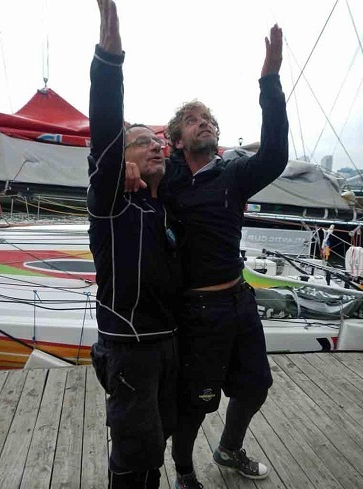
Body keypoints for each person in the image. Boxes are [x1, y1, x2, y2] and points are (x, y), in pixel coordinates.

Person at [160, 25, 289, 489]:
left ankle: (230, 448)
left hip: (238, 300)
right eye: (194, 119)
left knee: (256, 384)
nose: (205, 122)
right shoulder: (167, 180)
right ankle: (184, 470)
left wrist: (269, 81)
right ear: (177, 139)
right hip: (195, 311)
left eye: (209, 118)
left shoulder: (233, 175)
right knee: (196, 399)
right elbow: (120, 160)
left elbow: (274, 153)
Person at [88, 1, 182, 488]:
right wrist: (110, 59)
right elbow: (104, 133)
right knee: (132, 454)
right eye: (145, 141)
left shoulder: (160, 204)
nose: (157, 145)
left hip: (166, 345)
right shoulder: (113, 203)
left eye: (160, 142)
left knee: (156, 444)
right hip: (129, 349)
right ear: (124, 157)